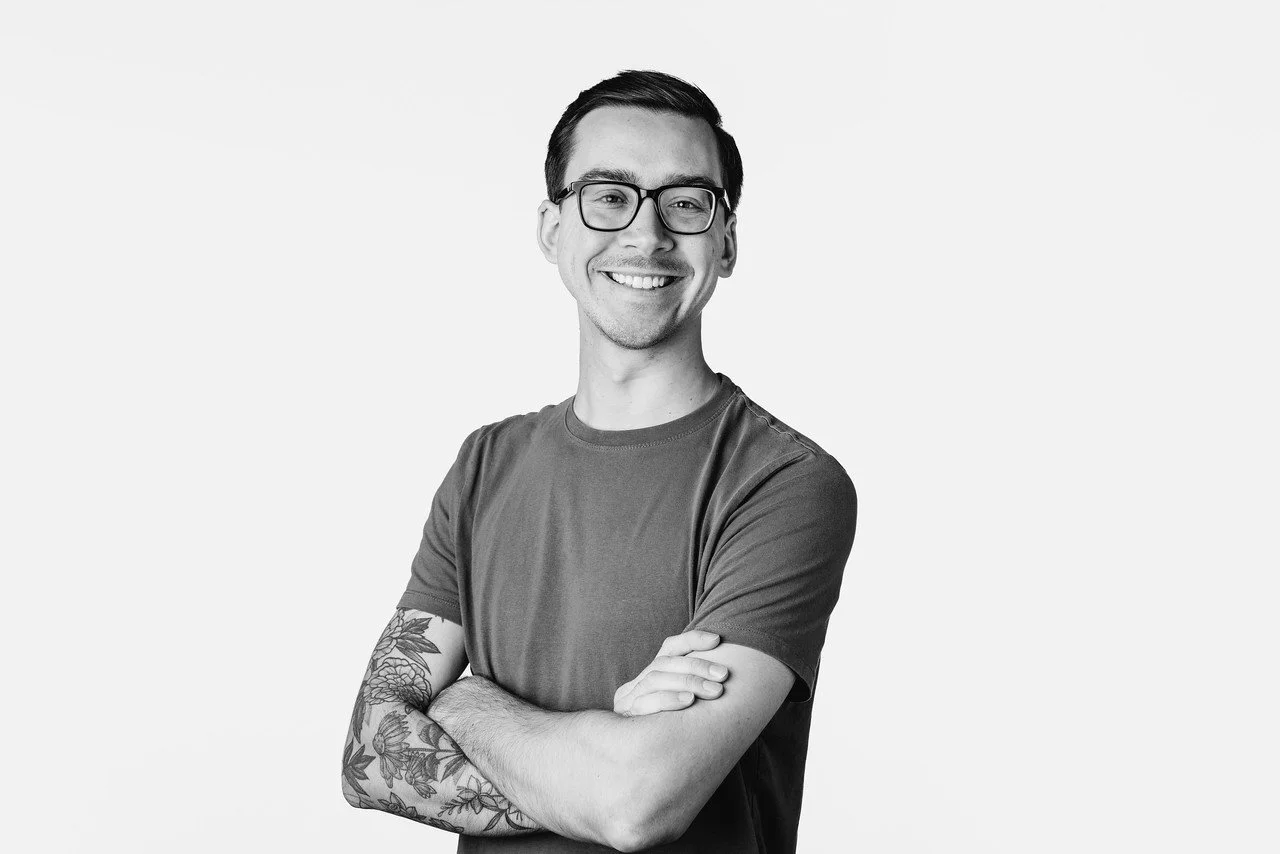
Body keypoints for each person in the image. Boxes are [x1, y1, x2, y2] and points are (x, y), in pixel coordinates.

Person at [341, 70, 857, 853]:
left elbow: (637, 805)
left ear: (728, 242)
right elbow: (370, 758)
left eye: (686, 203)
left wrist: (466, 705)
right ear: (552, 229)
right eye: (608, 195)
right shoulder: (485, 466)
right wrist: (603, 750)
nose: (647, 235)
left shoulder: (783, 484)